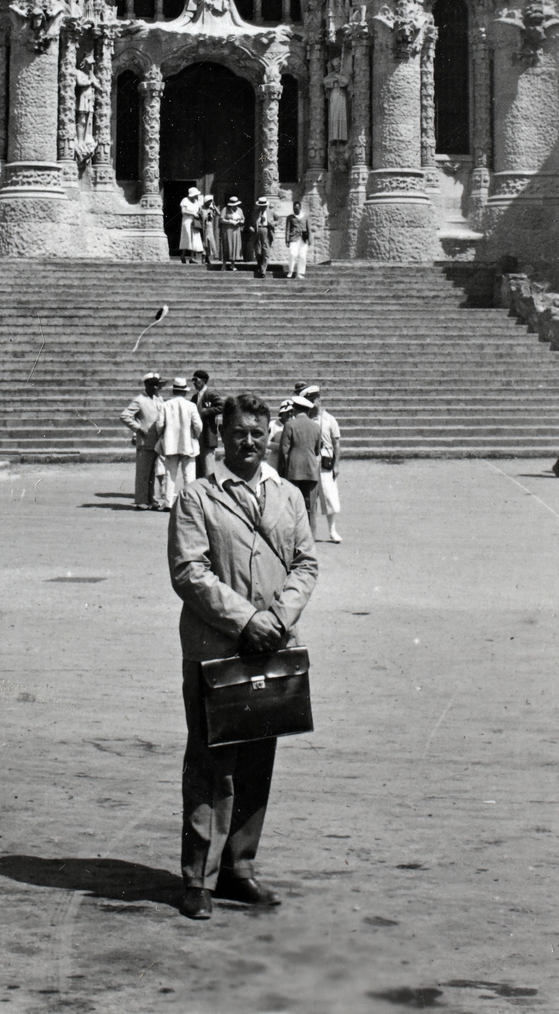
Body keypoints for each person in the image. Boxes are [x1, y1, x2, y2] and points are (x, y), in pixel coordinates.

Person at [168, 392, 318, 921]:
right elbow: (190, 572)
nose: (249, 442)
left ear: (270, 435)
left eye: (258, 433)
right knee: (212, 766)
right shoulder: (196, 497)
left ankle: (239, 868)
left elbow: (306, 563)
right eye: (238, 433)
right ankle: (197, 879)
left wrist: (277, 619)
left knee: (258, 762)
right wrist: (246, 620)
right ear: (221, 436)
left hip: (274, 647)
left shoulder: (288, 497)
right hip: (218, 650)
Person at [120, 372, 166, 511]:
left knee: (153, 472)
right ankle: (141, 500)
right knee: (143, 473)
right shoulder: (139, 400)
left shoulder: (159, 399)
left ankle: (151, 498)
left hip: (157, 442)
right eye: (152, 385)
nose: (155, 387)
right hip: (145, 442)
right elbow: (125, 415)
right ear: (146, 385)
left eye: (156, 385)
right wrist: (138, 428)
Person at [302, 384, 342, 544]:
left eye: (316, 400)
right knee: (309, 497)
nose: (314, 404)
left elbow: (336, 443)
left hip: (325, 463)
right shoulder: (306, 420)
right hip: (309, 461)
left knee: (329, 496)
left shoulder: (330, 420)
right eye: (311, 401)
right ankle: (309, 533)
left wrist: (336, 464)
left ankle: (332, 530)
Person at [278, 394, 322, 530]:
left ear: (295, 410)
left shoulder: (289, 425)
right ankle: (310, 537)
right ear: (308, 411)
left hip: (293, 471)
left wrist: (282, 471)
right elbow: (317, 451)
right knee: (310, 507)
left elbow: (284, 451)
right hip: (311, 471)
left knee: (292, 505)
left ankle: (294, 535)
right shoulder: (316, 427)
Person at [159, 376, 203, 506]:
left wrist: (163, 436)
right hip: (188, 444)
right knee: (189, 476)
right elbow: (198, 425)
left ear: (173, 391)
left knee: (169, 475)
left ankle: (168, 503)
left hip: (170, 444)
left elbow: (159, 425)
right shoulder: (191, 406)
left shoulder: (165, 405)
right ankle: (189, 503)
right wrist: (194, 436)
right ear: (184, 392)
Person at [189, 371, 220, 478]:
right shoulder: (194, 397)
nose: (194, 383)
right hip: (197, 436)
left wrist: (206, 411)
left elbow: (222, 406)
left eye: (196, 380)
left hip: (208, 434)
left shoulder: (211, 395)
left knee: (208, 466)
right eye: (193, 380)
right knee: (198, 467)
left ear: (203, 381)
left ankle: (210, 490)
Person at [265, 399, 294, 474]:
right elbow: (266, 442)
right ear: (281, 413)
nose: (289, 414)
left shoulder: (294, 425)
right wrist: (281, 446)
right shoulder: (273, 424)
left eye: (291, 412)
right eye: (287, 412)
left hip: (289, 460)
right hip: (275, 458)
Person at [285, 201, 310, 281]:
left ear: (300, 208)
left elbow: (309, 228)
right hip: (293, 238)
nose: (295, 210)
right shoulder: (290, 217)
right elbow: (287, 229)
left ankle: (300, 273)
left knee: (302, 255)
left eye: (297, 208)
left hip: (303, 238)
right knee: (293, 253)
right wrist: (287, 240)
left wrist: (310, 239)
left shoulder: (305, 217)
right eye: (294, 208)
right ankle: (291, 271)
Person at [179, 187, 204, 265]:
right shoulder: (185, 200)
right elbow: (183, 211)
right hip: (187, 221)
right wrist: (192, 213)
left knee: (195, 238)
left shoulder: (196, 201)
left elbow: (199, 210)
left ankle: (192, 258)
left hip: (195, 221)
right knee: (187, 237)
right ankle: (183, 255)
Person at [253, 198, 276, 278]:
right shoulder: (255, 213)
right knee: (258, 251)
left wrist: (273, 223)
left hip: (267, 230)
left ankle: (263, 271)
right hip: (258, 231)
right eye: (261, 206)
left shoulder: (271, 212)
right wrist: (252, 227)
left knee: (266, 252)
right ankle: (260, 265)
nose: (262, 207)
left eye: (264, 206)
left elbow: (279, 219)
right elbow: (251, 223)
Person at [220, 197, 245, 270]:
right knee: (227, 246)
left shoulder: (240, 210)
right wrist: (229, 221)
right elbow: (221, 219)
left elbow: (243, 219)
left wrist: (240, 221)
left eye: (236, 205)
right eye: (233, 205)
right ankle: (224, 264)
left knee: (235, 247)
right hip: (228, 230)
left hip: (236, 230)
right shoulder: (225, 209)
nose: (234, 206)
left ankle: (232, 264)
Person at [201, 195, 221, 269]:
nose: (210, 203)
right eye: (209, 202)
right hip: (204, 226)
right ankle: (203, 258)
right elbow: (199, 216)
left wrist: (214, 206)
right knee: (205, 242)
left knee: (210, 242)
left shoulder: (211, 208)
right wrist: (205, 216)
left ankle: (207, 258)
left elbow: (218, 214)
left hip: (210, 226)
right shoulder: (201, 208)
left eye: (211, 202)